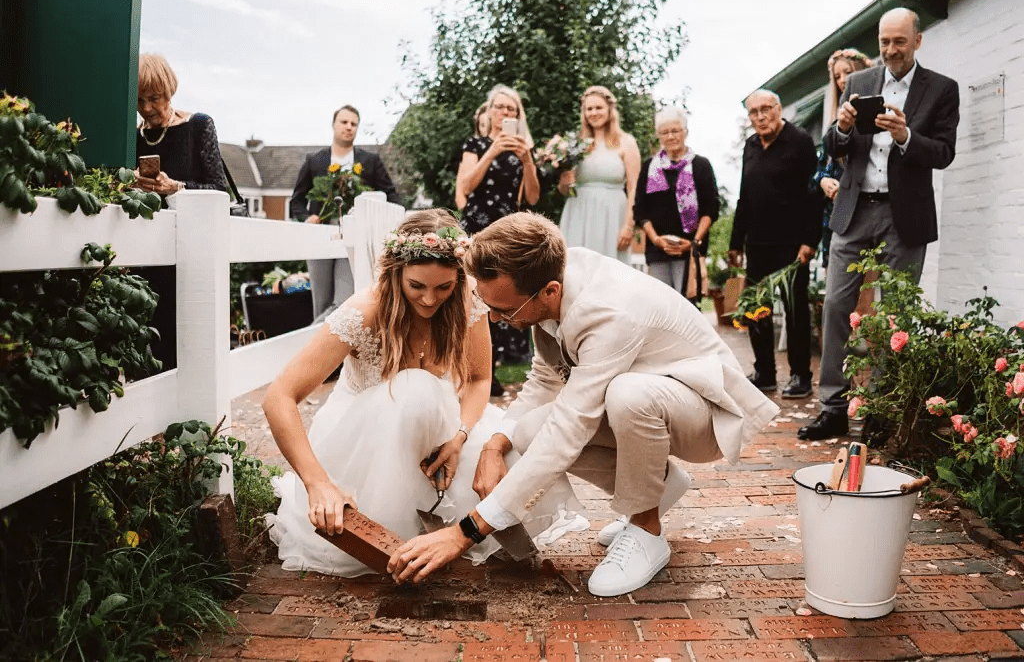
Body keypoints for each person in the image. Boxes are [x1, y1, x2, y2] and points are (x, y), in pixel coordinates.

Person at [386, 212, 779, 597]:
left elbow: (570, 428)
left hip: (704, 416)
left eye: (506, 310)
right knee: (525, 429)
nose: (496, 318)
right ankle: (660, 486)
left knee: (626, 395)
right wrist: (495, 443)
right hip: (657, 401)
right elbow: (544, 381)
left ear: (549, 292)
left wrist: (464, 533)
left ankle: (646, 531)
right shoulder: (544, 278)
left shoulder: (608, 312)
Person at [263, 209, 584, 576]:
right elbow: (279, 397)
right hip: (364, 443)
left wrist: (460, 438)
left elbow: (480, 380)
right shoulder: (365, 311)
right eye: (417, 286)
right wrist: (318, 483)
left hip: (442, 431)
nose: (430, 300)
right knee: (415, 390)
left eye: (443, 287)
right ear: (395, 273)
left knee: (512, 446)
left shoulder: (469, 301)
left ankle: (450, 523)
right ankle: (403, 521)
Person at [799, 8, 960, 441]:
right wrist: (844, 128)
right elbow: (833, 146)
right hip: (853, 210)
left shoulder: (942, 89)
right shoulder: (859, 83)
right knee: (835, 305)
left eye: (900, 42)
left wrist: (907, 136)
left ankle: (883, 411)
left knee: (895, 315)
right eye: (885, 42)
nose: (891, 50)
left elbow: (944, 152)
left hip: (904, 214)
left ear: (918, 41)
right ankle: (833, 406)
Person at [134, 53, 229, 371]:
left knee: (189, 344)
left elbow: (220, 191)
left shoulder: (198, 126)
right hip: (146, 257)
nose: (147, 108)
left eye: (154, 98)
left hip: (192, 257)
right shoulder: (131, 136)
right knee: (149, 345)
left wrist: (177, 188)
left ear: (169, 91)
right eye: (139, 100)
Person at [728, 89, 821, 400]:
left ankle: (800, 375)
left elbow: (813, 195)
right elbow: (745, 194)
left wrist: (810, 240)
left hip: (792, 245)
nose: (760, 116)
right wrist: (735, 241)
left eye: (766, 109)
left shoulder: (800, 141)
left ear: (780, 109)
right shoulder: (751, 146)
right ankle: (765, 372)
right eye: (754, 112)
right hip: (757, 243)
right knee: (757, 309)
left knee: (795, 311)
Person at [456, 84, 540, 394]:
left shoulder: (522, 151)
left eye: (510, 109)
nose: (503, 113)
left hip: (507, 230)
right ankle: (479, 373)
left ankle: (494, 369)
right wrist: (492, 150)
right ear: (489, 111)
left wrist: (527, 159)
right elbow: (465, 186)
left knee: (501, 294)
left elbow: (531, 196)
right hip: (478, 226)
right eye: (499, 107)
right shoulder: (474, 144)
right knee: (475, 295)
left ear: (518, 116)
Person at [289, 105, 402, 323]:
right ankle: (326, 355)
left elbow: (391, 195)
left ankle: (307, 345)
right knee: (320, 303)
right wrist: (307, 218)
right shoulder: (315, 160)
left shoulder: (370, 161)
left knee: (342, 302)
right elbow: (297, 200)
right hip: (320, 236)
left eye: (353, 124)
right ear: (334, 125)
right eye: (344, 122)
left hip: (353, 238)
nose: (348, 127)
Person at [633, 106, 719, 303]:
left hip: (690, 249)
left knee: (687, 306)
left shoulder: (701, 165)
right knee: (661, 307)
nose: (670, 136)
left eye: (675, 131)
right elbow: (640, 210)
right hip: (658, 250)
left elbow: (711, 209)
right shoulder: (649, 167)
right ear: (658, 135)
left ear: (685, 132)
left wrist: (693, 243)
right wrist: (657, 240)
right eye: (664, 132)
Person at [557, 86, 640, 262]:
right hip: (578, 212)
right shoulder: (575, 144)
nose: (594, 113)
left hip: (613, 213)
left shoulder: (626, 142)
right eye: (589, 109)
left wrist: (629, 226)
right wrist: (565, 180)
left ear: (610, 110)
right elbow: (564, 190)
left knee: (610, 268)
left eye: (598, 108)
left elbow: (634, 188)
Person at [816, 49, 873, 270]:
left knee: (868, 288)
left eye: (847, 73)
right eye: (837, 77)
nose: (842, 81)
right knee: (837, 294)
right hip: (837, 215)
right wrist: (823, 181)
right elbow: (820, 170)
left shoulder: (877, 118)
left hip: (867, 213)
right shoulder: (834, 125)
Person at [455, 103, 491, 210]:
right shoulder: (472, 149)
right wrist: (468, 211)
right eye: (482, 125)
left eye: (489, 124)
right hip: (478, 217)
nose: (486, 130)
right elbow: (460, 191)